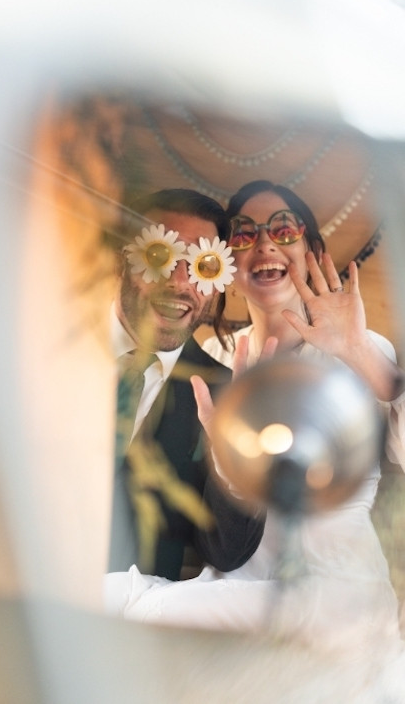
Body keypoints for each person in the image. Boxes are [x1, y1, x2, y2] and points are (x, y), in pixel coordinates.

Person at [104, 180, 405, 701]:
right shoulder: (213, 366)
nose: (264, 245)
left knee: (115, 601)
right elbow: (216, 529)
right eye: (246, 235)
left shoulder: (361, 350)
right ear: (228, 267)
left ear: (313, 252)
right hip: (236, 585)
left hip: (332, 592)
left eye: (283, 229)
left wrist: (360, 353)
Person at [108, 187, 264, 581]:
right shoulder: (43, 343)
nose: (180, 282)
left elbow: (227, 554)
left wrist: (235, 467)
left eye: (202, 266)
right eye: (160, 256)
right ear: (123, 260)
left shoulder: (226, 396)